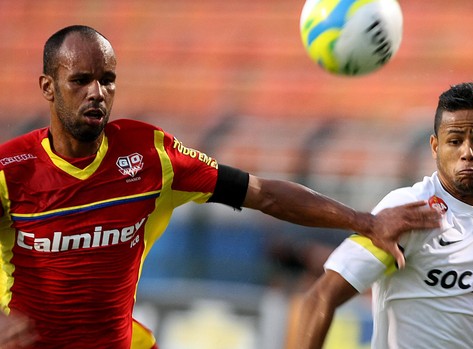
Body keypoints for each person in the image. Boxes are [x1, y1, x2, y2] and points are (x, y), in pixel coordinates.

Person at [0, 25, 442, 349]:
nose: (97, 92)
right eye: (80, 81)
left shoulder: (149, 154)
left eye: (108, 80)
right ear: (48, 86)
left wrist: (366, 221)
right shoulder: (10, 170)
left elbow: (262, 193)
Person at [290, 82, 473, 349]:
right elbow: (320, 298)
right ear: (435, 147)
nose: (468, 153)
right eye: (455, 141)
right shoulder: (408, 210)